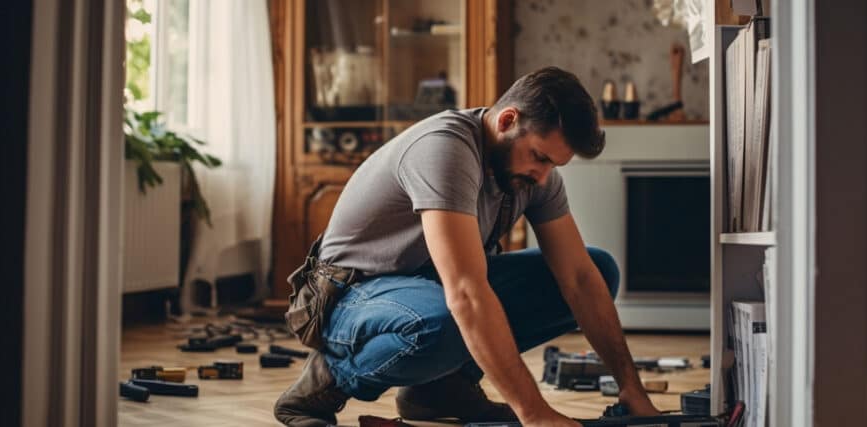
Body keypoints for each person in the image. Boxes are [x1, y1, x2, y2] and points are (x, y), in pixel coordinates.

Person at [274, 67, 661, 427]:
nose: (543, 177)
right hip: (349, 297)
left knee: (598, 270)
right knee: (447, 314)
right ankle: (326, 381)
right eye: (540, 157)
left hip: (426, 288)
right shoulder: (445, 149)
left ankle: (440, 390)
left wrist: (631, 388)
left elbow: (578, 278)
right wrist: (535, 414)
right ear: (507, 121)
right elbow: (464, 293)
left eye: (554, 165)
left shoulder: (534, 176)